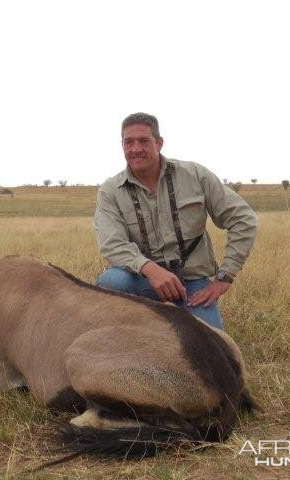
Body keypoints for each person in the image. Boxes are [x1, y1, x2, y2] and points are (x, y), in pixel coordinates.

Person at [94, 112, 257, 330]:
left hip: (191, 284)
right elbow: (111, 244)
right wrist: (152, 271)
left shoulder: (195, 175)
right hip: (141, 280)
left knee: (211, 346)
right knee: (111, 282)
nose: (135, 149)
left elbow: (243, 219)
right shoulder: (110, 191)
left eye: (144, 141)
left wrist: (224, 278)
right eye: (128, 142)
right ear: (122, 145)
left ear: (159, 143)